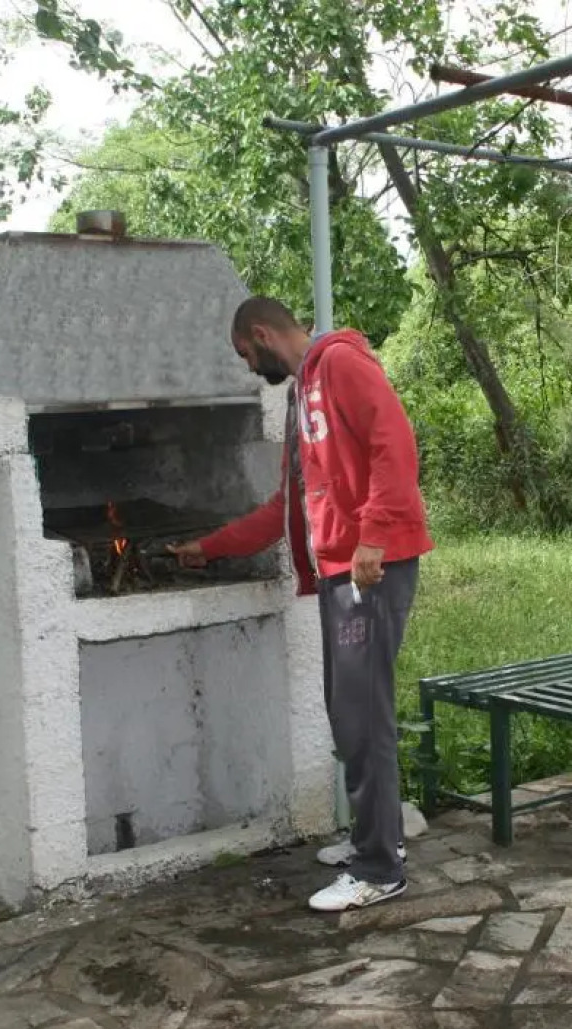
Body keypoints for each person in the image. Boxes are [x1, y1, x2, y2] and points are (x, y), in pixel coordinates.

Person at [170, 296, 433, 912]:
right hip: (343, 571)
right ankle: (377, 838)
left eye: (244, 354)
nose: (246, 366)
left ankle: (379, 868)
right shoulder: (302, 390)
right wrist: (207, 548)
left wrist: (372, 532)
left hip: (372, 566)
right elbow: (284, 505)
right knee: (349, 716)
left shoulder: (339, 363)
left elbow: (395, 439)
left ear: (261, 333)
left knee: (364, 718)